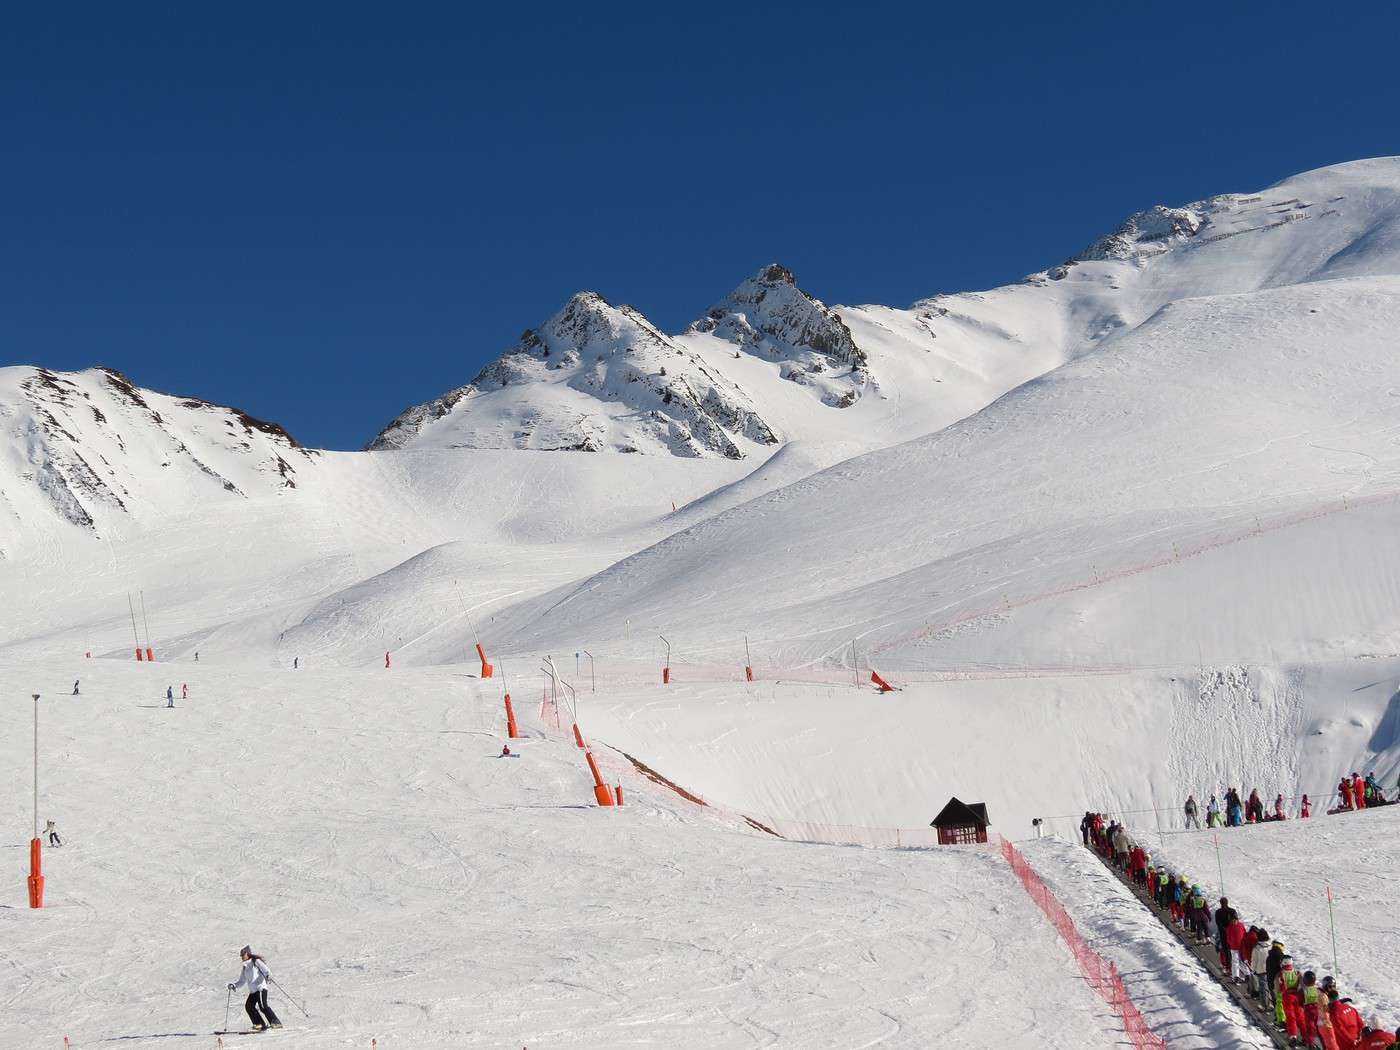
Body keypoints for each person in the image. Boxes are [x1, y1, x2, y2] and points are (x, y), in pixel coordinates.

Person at [228, 946, 282, 1031]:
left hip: (260, 988)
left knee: (263, 1006)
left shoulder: (255, 961)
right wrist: (234, 985)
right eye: (241, 954)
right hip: (253, 991)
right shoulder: (245, 967)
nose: (241, 956)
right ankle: (259, 1024)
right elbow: (242, 981)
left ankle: (276, 1022)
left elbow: (266, 970)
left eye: (243, 954)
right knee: (249, 1006)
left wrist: (268, 976)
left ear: (248, 954)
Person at [1277, 956, 1302, 1042]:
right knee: (1300, 1017)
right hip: (1297, 996)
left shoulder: (1281, 973)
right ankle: (1306, 1037)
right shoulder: (1296, 972)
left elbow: (1279, 987)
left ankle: (1292, 1035)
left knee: (1290, 1017)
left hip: (1287, 997)